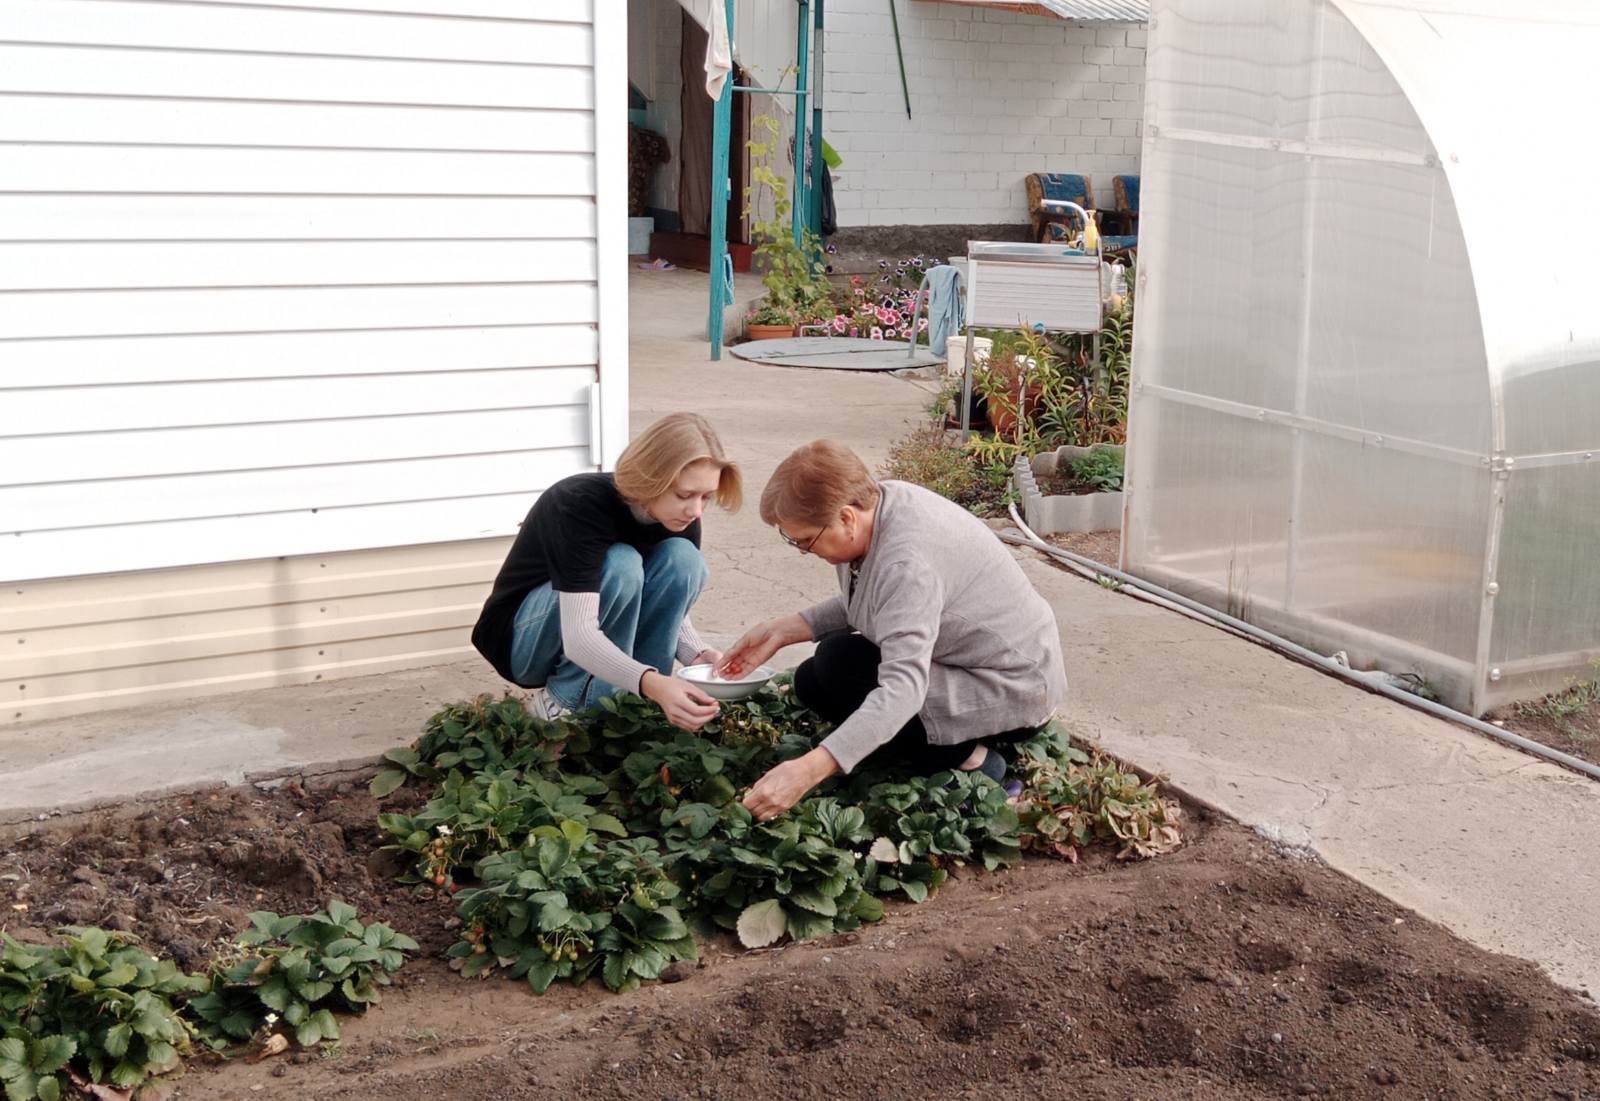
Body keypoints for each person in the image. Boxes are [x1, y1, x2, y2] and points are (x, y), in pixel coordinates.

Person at [717, 440, 1067, 821]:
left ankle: (978, 764)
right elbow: (882, 602)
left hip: (1013, 689)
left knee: (840, 664)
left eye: (805, 540)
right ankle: (928, 745)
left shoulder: (907, 562)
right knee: (813, 679)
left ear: (846, 517)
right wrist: (787, 629)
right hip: (975, 664)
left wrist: (808, 770)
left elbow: (903, 691)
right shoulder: (883, 503)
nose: (802, 550)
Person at [471, 413, 740, 730]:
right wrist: (651, 681)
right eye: (684, 495)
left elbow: (671, 600)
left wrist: (698, 654)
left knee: (684, 559)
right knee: (620, 564)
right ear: (651, 477)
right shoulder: (578, 505)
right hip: (522, 644)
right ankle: (562, 703)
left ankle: (633, 707)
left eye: (706, 497)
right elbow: (579, 634)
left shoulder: (683, 518)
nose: (696, 510)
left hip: (594, 640)